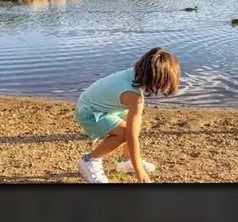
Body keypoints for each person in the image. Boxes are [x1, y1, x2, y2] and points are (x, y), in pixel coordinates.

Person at [73, 47, 181, 184]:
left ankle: (126, 161)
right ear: (156, 80)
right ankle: (89, 161)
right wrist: (139, 171)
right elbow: (131, 137)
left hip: (99, 104)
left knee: (131, 124)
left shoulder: (134, 75)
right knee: (124, 133)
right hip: (89, 112)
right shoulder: (134, 96)